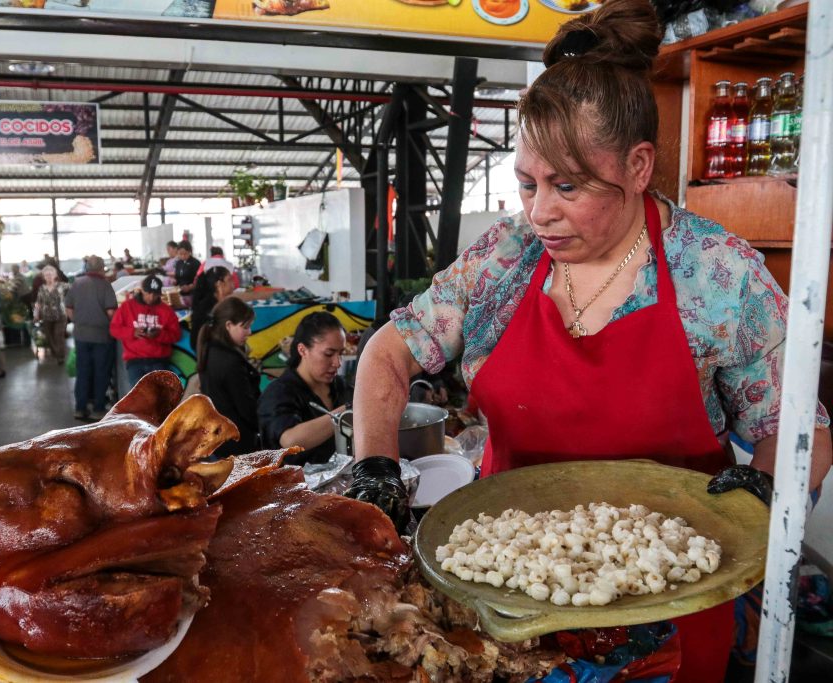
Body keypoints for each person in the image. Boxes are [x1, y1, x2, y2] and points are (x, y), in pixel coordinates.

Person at [345, 3, 832, 682]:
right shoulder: (505, 260)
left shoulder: (715, 274)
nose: (540, 210)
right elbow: (389, 353)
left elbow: (795, 421)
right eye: (527, 183)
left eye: (567, 186)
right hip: (503, 597)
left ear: (638, 167)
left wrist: (768, 487)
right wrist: (375, 465)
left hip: (671, 605)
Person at [258, 312, 349, 467]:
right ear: (302, 350)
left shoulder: (339, 386)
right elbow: (290, 440)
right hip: (293, 487)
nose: (337, 363)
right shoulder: (279, 392)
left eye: (340, 354)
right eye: (329, 354)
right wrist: (345, 413)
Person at [196, 297, 260, 458]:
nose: (249, 332)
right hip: (236, 441)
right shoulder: (230, 362)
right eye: (245, 327)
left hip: (218, 437)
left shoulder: (209, 349)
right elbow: (247, 409)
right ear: (228, 325)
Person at [65, 255, 117, 421]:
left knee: (83, 371)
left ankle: (80, 408)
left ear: (87, 268)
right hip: (101, 336)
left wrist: (78, 321)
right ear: (102, 269)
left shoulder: (77, 283)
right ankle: (98, 408)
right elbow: (111, 312)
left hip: (81, 335)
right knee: (101, 372)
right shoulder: (105, 285)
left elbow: (69, 308)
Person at [110, 275, 181, 388]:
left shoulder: (167, 311)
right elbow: (114, 329)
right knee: (139, 398)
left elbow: (176, 335)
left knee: (161, 398)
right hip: (135, 361)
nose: (151, 297)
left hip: (159, 360)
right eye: (148, 293)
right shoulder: (127, 307)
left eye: (155, 294)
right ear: (142, 290)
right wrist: (132, 332)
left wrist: (159, 335)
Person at [189, 266, 235, 345]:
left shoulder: (217, 302)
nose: (233, 283)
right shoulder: (209, 308)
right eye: (229, 280)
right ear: (219, 285)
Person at [33, 264, 69, 365]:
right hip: (46, 316)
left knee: (59, 335)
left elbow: (74, 292)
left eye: (50, 274)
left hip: (60, 315)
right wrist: (35, 315)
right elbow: (38, 303)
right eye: (46, 275)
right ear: (43, 277)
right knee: (49, 337)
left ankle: (60, 356)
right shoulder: (42, 288)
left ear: (55, 275)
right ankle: (55, 353)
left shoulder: (62, 286)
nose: (48, 276)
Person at [174, 240, 200, 307]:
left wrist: (190, 287)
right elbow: (177, 277)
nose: (182, 256)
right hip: (180, 294)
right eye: (180, 254)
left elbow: (199, 280)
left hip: (192, 295)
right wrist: (175, 282)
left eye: (185, 253)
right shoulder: (178, 263)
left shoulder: (195, 263)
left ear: (190, 252)